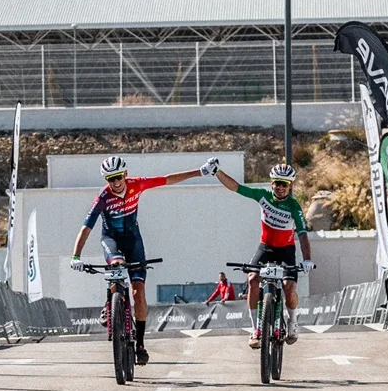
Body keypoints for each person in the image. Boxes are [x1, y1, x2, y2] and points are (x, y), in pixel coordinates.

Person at [69, 155, 210, 366]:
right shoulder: (103, 197)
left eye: (118, 177)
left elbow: (168, 179)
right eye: (110, 179)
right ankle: (111, 303)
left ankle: (141, 344)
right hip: (111, 240)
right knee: (115, 266)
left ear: (125, 174)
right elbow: (86, 227)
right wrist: (76, 256)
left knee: (139, 293)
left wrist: (199, 172)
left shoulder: (138, 184)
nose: (115, 183)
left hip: (133, 241)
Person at [208, 160, 312, 349]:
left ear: (291, 186)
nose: (280, 188)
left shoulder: (294, 206)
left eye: (285, 184)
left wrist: (306, 260)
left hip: (286, 250)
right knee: (252, 279)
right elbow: (236, 188)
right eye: (277, 183)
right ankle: (256, 328)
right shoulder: (263, 196)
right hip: (265, 247)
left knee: (289, 288)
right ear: (272, 183)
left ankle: (292, 322)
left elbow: (303, 235)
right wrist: (217, 172)